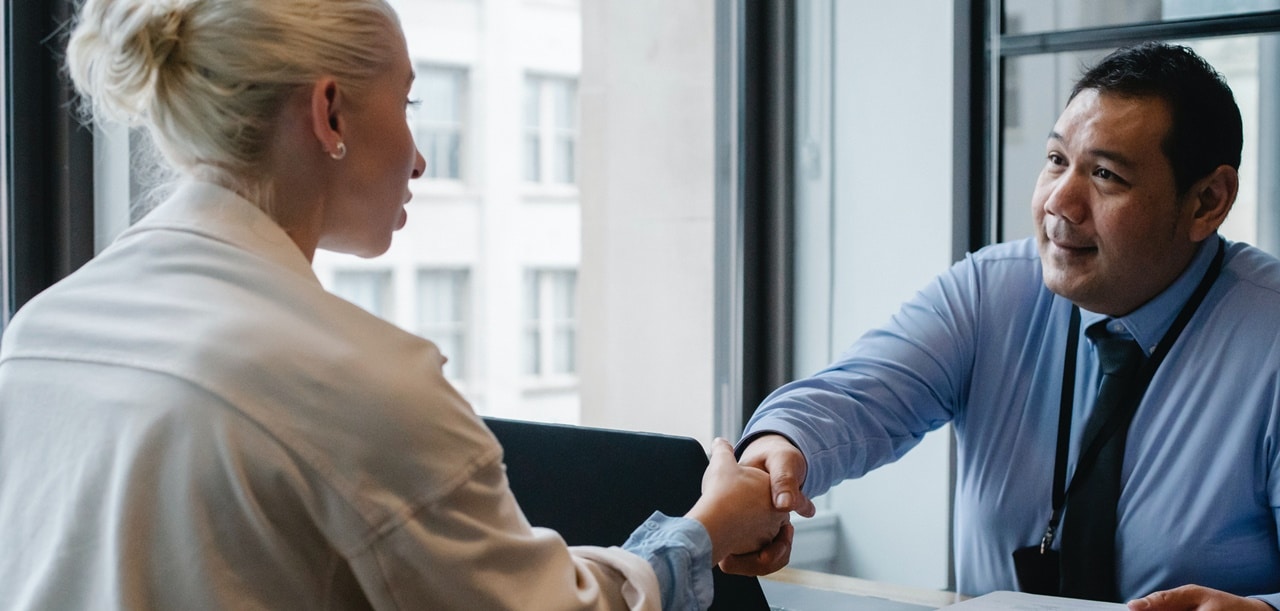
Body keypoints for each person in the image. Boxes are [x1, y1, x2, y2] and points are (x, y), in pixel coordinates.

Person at [0, 1, 789, 609]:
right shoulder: (358, 379)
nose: (420, 158)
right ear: (329, 112)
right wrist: (707, 529)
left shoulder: (39, 333)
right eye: (408, 102)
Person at [726, 42, 1280, 610]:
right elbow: (855, 397)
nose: (1059, 203)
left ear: (1207, 201)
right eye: (1056, 160)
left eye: (1106, 175)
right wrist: (781, 448)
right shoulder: (992, 290)